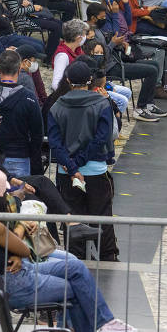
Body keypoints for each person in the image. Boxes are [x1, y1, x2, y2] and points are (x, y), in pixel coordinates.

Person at [0, 167, 139, 332]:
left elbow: (12, 247)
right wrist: (21, 227)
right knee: (77, 289)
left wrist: (16, 246)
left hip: (17, 273)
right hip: (18, 283)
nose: (7, 194)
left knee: (76, 268)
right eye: (5, 192)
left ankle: (96, 330)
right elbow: (24, 249)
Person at [46, 61, 118, 261]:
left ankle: (75, 257)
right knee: (101, 215)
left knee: (73, 217)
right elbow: (102, 137)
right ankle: (107, 256)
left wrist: (71, 166)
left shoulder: (57, 105)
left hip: (66, 173)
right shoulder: (101, 103)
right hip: (95, 170)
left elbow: (54, 142)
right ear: (90, 80)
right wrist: (80, 161)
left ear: (68, 80)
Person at [85, 3, 167, 122]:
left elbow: (115, 33)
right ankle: (140, 108)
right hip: (109, 68)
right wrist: (112, 43)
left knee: (154, 64)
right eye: (102, 17)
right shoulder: (89, 34)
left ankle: (149, 104)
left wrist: (116, 38)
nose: (104, 20)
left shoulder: (98, 29)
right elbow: (100, 57)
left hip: (116, 61)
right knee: (151, 71)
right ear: (93, 18)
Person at [0, 50, 43, 177]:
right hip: (19, 157)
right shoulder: (29, 98)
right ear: (19, 68)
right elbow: (37, 134)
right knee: (18, 195)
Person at [51, 19, 88, 91]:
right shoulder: (62, 56)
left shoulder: (77, 50)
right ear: (79, 38)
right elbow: (55, 84)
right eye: (84, 34)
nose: (85, 36)